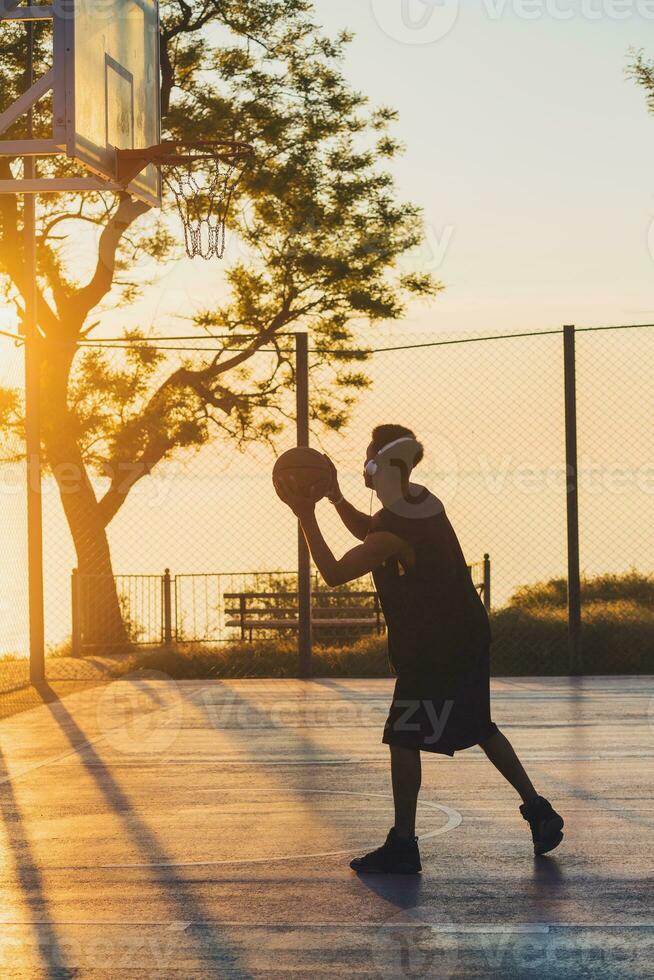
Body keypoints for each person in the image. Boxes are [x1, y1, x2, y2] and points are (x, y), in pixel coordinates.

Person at [274, 424, 564, 874]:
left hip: (435, 647)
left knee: (403, 735)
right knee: (480, 726)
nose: (365, 469)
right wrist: (333, 499)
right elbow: (371, 530)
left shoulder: (394, 528)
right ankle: (539, 810)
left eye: (369, 460)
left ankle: (403, 846)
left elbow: (333, 571)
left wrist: (305, 514)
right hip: (464, 634)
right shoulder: (419, 501)